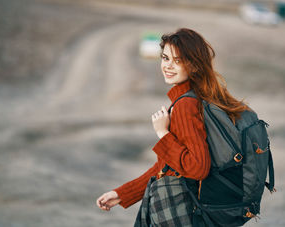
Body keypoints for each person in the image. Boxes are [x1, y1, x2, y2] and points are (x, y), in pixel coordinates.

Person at [96, 28, 250, 226]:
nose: (168, 66)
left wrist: (163, 133)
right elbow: (167, 167)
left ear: (194, 66)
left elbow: (197, 167)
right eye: (165, 58)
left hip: (183, 212)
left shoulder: (186, 106)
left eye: (177, 61)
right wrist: (122, 194)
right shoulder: (198, 97)